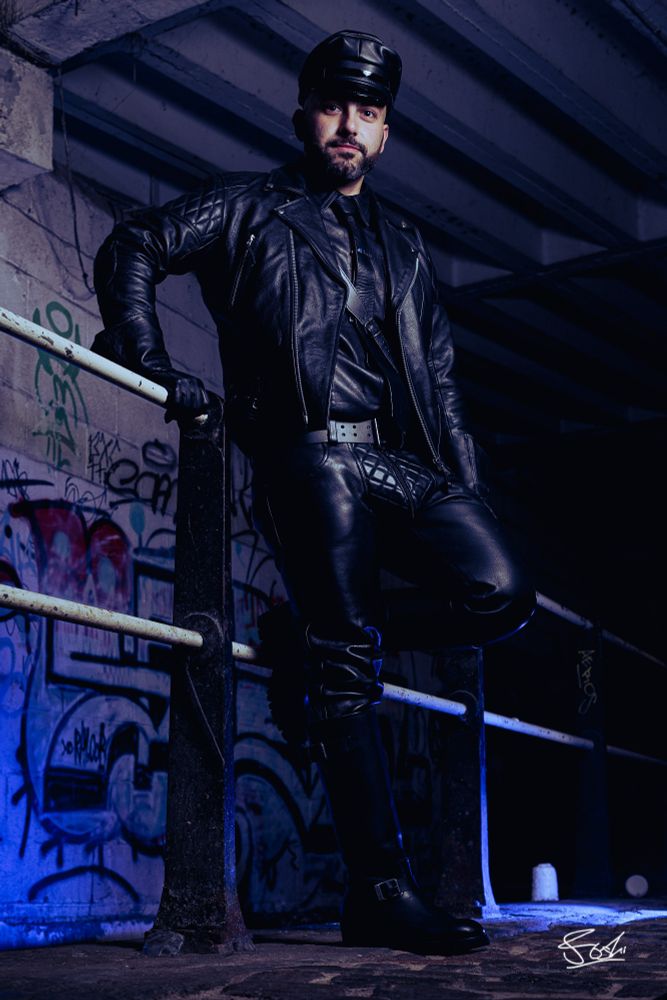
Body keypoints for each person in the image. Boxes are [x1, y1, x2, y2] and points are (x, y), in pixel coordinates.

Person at [93, 30, 535, 955]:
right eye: (333, 107)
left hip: (397, 463)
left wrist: (467, 496)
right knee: (348, 665)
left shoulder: (404, 245)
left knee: (502, 592)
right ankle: (379, 890)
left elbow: (441, 383)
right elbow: (136, 241)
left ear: (384, 134)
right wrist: (148, 358)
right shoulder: (248, 208)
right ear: (303, 116)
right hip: (303, 456)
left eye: (367, 113)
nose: (348, 126)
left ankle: (315, 642)